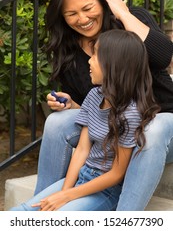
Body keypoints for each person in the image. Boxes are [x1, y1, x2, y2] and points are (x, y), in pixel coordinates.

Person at [34, 0, 173, 211]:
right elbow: (93, 107)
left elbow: (163, 56)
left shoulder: (130, 19)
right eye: (71, 13)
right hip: (115, 130)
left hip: (161, 122)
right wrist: (72, 104)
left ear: (102, 0)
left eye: (88, 8)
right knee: (56, 122)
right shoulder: (69, 49)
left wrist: (122, 13)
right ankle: (42, 208)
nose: (82, 19)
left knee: (153, 128)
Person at [10, 29, 160, 211]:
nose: (89, 60)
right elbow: (82, 149)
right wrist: (63, 193)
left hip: (105, 190)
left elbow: (116, 174)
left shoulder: (130, 113)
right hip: (83, 175)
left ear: (114, 64)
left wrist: (67, 196)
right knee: (22, 212)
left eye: (95, 55)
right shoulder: (95, 95)